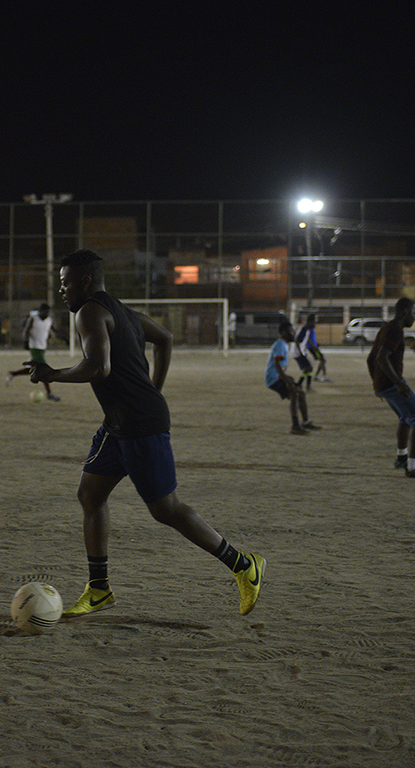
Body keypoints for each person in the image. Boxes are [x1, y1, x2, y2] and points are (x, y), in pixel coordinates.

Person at [25, 249, 264, 616]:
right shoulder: (124, 312)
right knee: (90, 495)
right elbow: (165, 337)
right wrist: (154, 389)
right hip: (119, 424)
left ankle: (244, 565)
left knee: (166, 510)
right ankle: (99, 589)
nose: (61, 290)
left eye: (65, 282)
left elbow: (98, 367)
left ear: (84, 281)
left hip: (139, 425)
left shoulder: (89, 312)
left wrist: (52, 374)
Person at [369, 298, 415, 478]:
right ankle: (413, 466)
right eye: (414, 313)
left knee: (405, 418)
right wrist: (398, 383)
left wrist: (376, 383)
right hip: (392, 384)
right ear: (405, 312)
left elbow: (371, 358)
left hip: (384, 384)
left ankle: (401, 458)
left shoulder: (385, 328)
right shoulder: (395, 331)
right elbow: (381, 358)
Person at [268, 322, 320, 435]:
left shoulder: (283, 344)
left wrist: (286, 377)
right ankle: (295, 426)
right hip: (273, 379)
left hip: (277, 377)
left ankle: (305, 422)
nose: (293, 333)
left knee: (300, 393)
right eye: (291, 331)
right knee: (295, 394)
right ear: (284, 332)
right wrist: (287, 381)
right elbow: (276, 364)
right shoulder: (280, 344)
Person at [8, 303, 61, 401]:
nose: (47, 314)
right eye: (45, 312)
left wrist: (63, 336)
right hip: (34, 347)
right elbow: (26, 330)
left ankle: (13, 373)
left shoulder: (49, 320)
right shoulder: (33, 318)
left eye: (48, 312)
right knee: (43, 369)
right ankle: (49, 393)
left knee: (34, 368)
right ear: (40, 311)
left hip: (42, 348)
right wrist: (25, 341)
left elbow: (54, 330)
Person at [294, 313, 329, 387]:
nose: (315, 323)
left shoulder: (308, 329)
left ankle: (303, 383)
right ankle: (321, 376)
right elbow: (301, 340)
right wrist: (312, 347)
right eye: (314, 321)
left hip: (308, 348)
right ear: (311, 321)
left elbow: (308, 339)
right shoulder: (306, 329)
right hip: (308, 349)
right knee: (320, 361)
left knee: (310, 367)